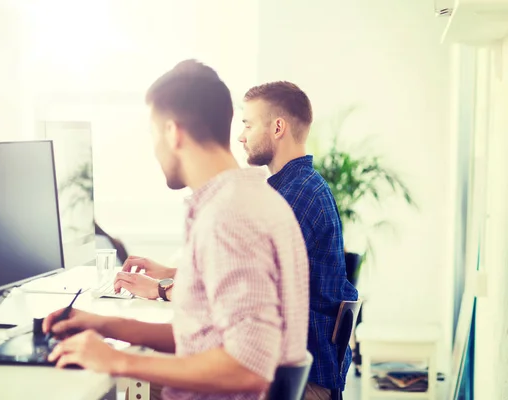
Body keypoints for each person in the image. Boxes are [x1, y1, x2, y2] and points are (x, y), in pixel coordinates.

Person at [43, 60, 309, 400]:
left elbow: (248, 367)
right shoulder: (247, 197)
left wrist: (118, 360)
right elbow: (207, 337)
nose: (154, 149)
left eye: (154, 134)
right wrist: (105, 325)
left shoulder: (228, 216)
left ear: (172, 132)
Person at [117, 81, 359, 399]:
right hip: (298, 370)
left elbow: (250, 304)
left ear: (277, 127)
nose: (241, 136)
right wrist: (171, 275)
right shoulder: (298, 187)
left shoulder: (292, 197)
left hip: (301, 384)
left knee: (127, 382)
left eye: (247, 124)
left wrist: (161, 290)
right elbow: (250, 276)